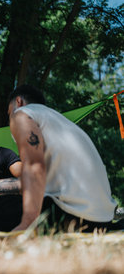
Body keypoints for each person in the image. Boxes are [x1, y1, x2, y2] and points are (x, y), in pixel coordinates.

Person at [7, 84, 118, 232]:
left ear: (18, 102)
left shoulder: (21, 114)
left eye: (8, 112)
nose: (9, 117)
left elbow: (34, 165)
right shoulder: (60, 121)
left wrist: (28, 223)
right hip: (104, 220)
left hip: (70, 216)